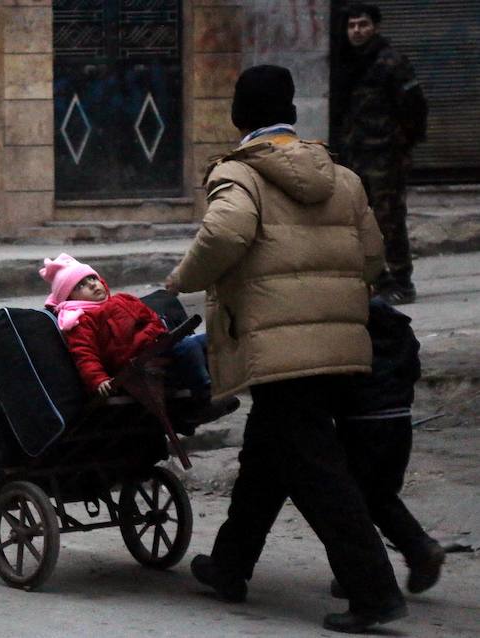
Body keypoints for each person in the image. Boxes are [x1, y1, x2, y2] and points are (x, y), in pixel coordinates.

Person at [164, 65, 407, 633]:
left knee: (317, 471)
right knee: (269, 454)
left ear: (238, 117)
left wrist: (182, 279)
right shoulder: (343, 178)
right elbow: (373, 258)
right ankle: (229, 566)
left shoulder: (239, 175)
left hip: (280, 350)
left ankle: (374, 592)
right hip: (340, 341)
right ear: (292, 114)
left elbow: (225, 235)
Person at [333, 298, 445, 598]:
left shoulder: (345, 321)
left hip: (363, 421)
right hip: (398, 417)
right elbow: (412, 367)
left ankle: (373, 567)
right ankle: (417, 550)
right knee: (380, 496)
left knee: (355, 499)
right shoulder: (395, 324)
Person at [39, 253, 228, 423]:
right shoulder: (80, 321)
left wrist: (153, 335)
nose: (91, 284)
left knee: (211, 340)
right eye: (80, 285)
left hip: (157, 346)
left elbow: (151, 319)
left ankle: (224, 384)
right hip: (136, 364)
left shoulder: (123, 300)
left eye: (92, 278)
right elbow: (85, 355)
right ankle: (204, 399)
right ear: (70, 298)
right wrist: (98, 379)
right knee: (190, 345)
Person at [334, 3, 428, 305]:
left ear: (375, 27)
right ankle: (378, 279)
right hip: (354, 156)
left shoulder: (390, 62)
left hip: (385, 157)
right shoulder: (346, 62)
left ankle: (402, 282)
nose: (357, 31)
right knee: (358, 219)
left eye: (363, 24)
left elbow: (414, 107)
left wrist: (402, 145)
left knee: (389, 219)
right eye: (351, 26)